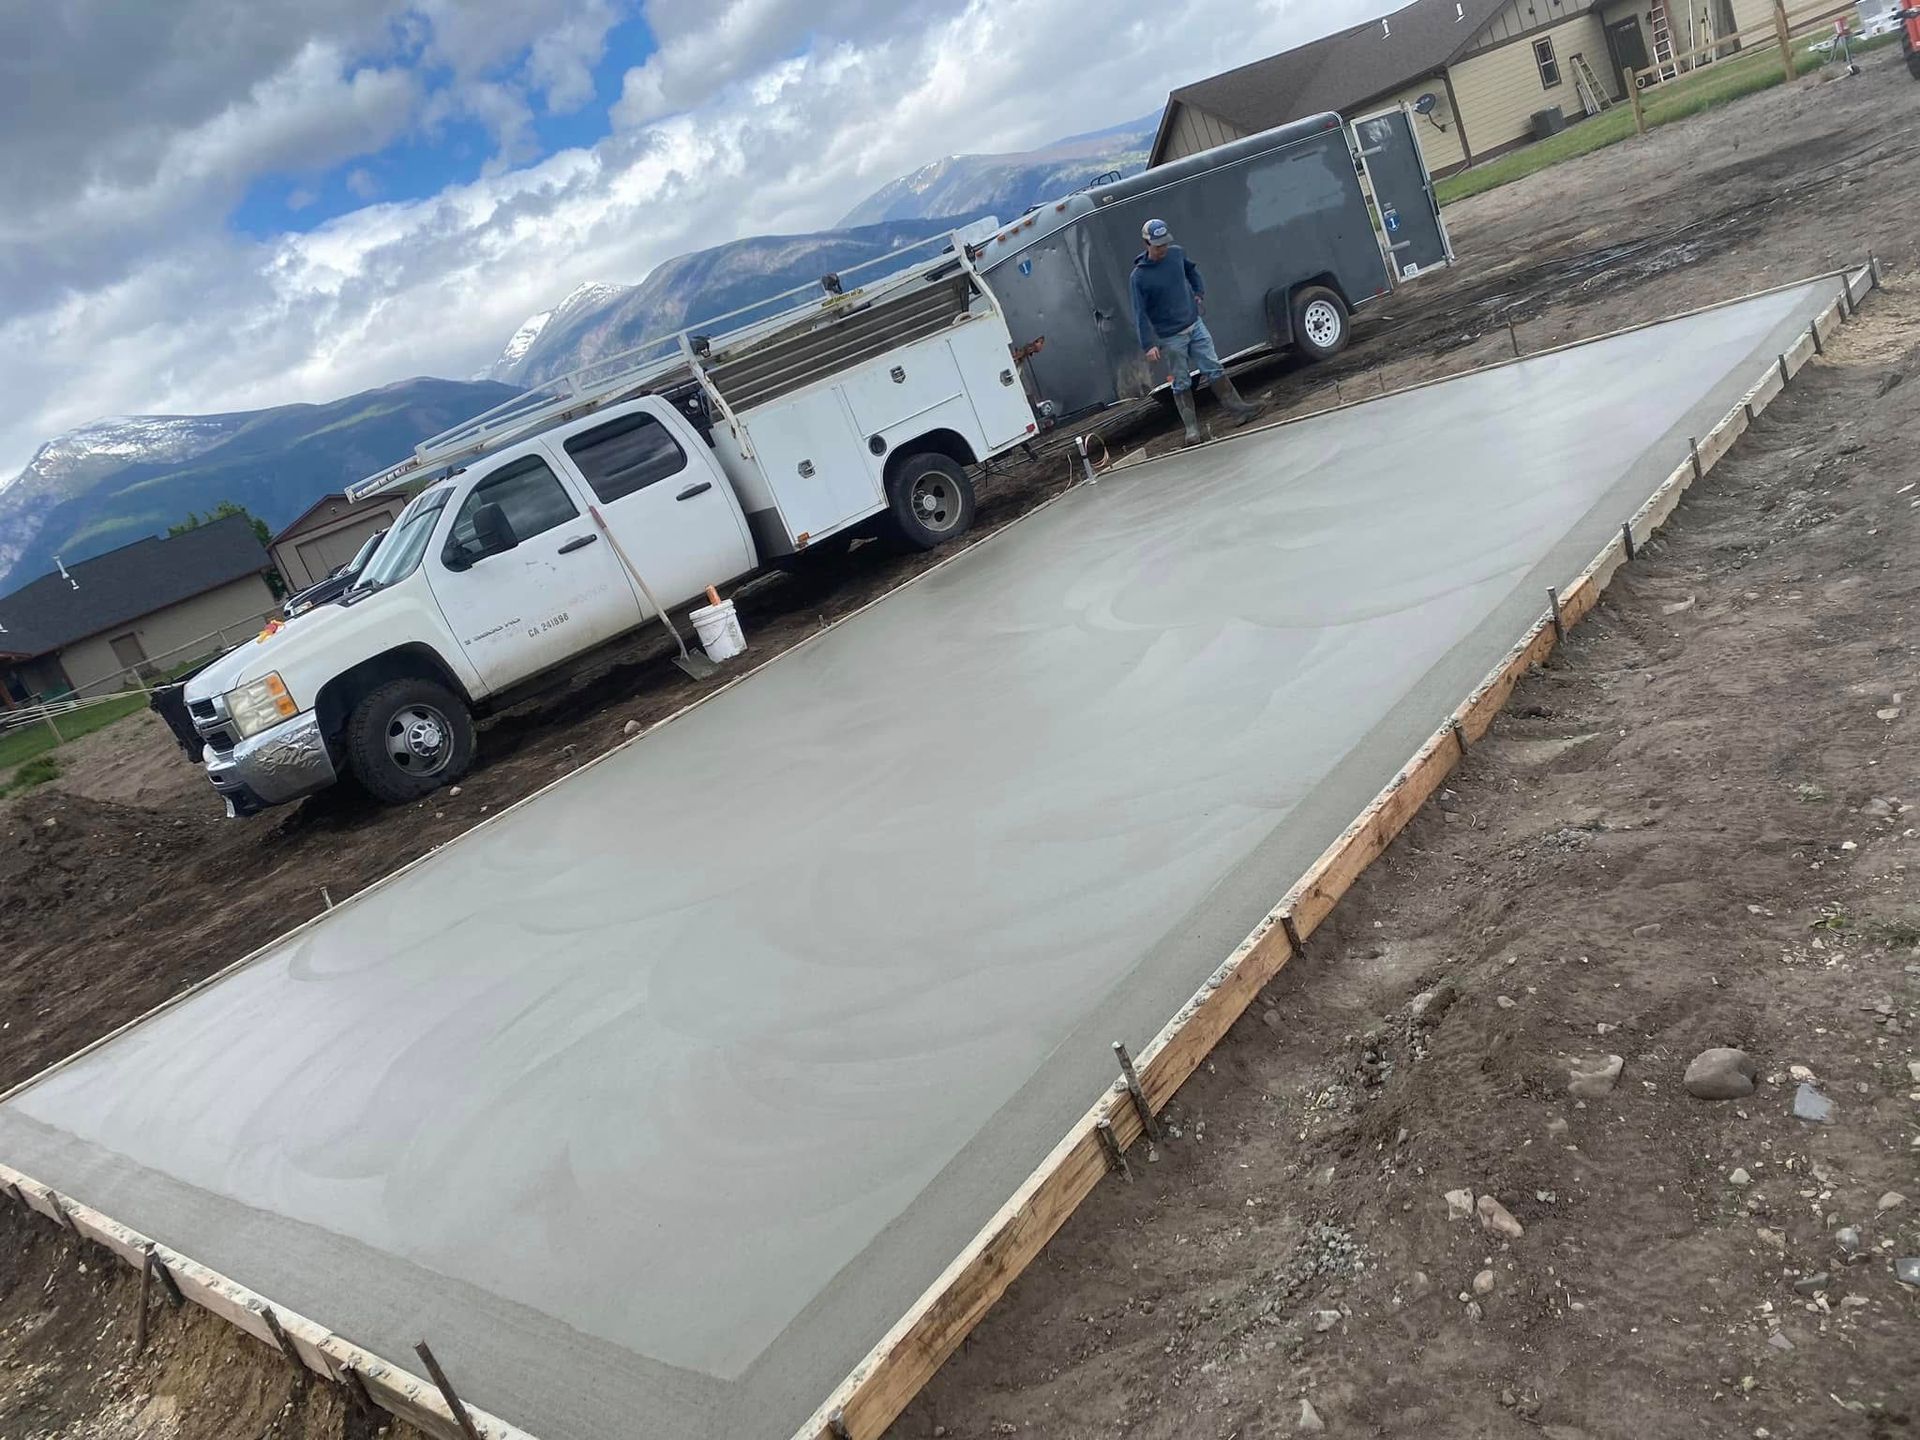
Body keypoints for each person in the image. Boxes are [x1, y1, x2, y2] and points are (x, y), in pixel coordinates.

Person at [1130, 217, 1258, 446]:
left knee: (1213, 367)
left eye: (1165, 244)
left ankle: (1239, 411)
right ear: (1146, 244)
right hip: (1171, 336)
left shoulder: (1177, 254)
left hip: (1195, 324)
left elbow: (1192, 271)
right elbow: (1139, 313)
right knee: (1181, 381)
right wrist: (1148, 344)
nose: (1163, 249)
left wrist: (1198, 290)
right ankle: (1191, 431)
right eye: (1158, 246)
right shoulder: (1139, 277)